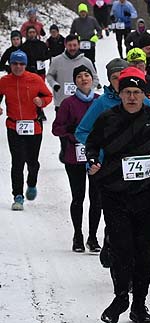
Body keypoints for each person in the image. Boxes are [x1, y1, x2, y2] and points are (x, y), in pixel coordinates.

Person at [85, 67, 150, 323]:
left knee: (144, 251)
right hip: (114, 192)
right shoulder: (108, 118)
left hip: (145, 194)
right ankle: (121, 296)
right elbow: (92, 144)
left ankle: (139, 304)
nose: (132, 97)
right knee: (121, 248)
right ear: (120, 94)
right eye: (127, 92)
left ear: (143, 94)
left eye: (136, 92)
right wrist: (93, 160)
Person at [52, 64, 101, 252]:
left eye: (86, 75)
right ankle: (78, 235)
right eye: (79, 76)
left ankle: (93, 237)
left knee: (96, 198)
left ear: (92, 79)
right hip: (74, 156)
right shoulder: (68, 103)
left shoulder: (99, 101)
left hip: (96, 156)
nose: (83, 79)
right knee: (78, 197)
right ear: (75, 82)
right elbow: (56, 128)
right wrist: (70, 131)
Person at [0, 50, 52, 210]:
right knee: (17, 161)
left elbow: (48, 96)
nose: (18, 67)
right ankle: (18, 196)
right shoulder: (4, 81)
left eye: (21, 64)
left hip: (33, 126)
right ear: (10, 64)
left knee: (32, 161)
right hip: (14, 126)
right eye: (15, 63)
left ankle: (32, 183)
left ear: (25, 65)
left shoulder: (35, 79)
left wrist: (41, 102)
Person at [46, 34, 98, 112]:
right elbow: (50, 75)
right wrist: (54, 84)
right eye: (70, 45)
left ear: (79, 45)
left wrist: (88, 89)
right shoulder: (56, 61)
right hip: (62, 102)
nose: (72, 48)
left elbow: (95, 78)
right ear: (65, 45)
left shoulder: (86, 61)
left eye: (74, 45)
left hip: (82, 102)